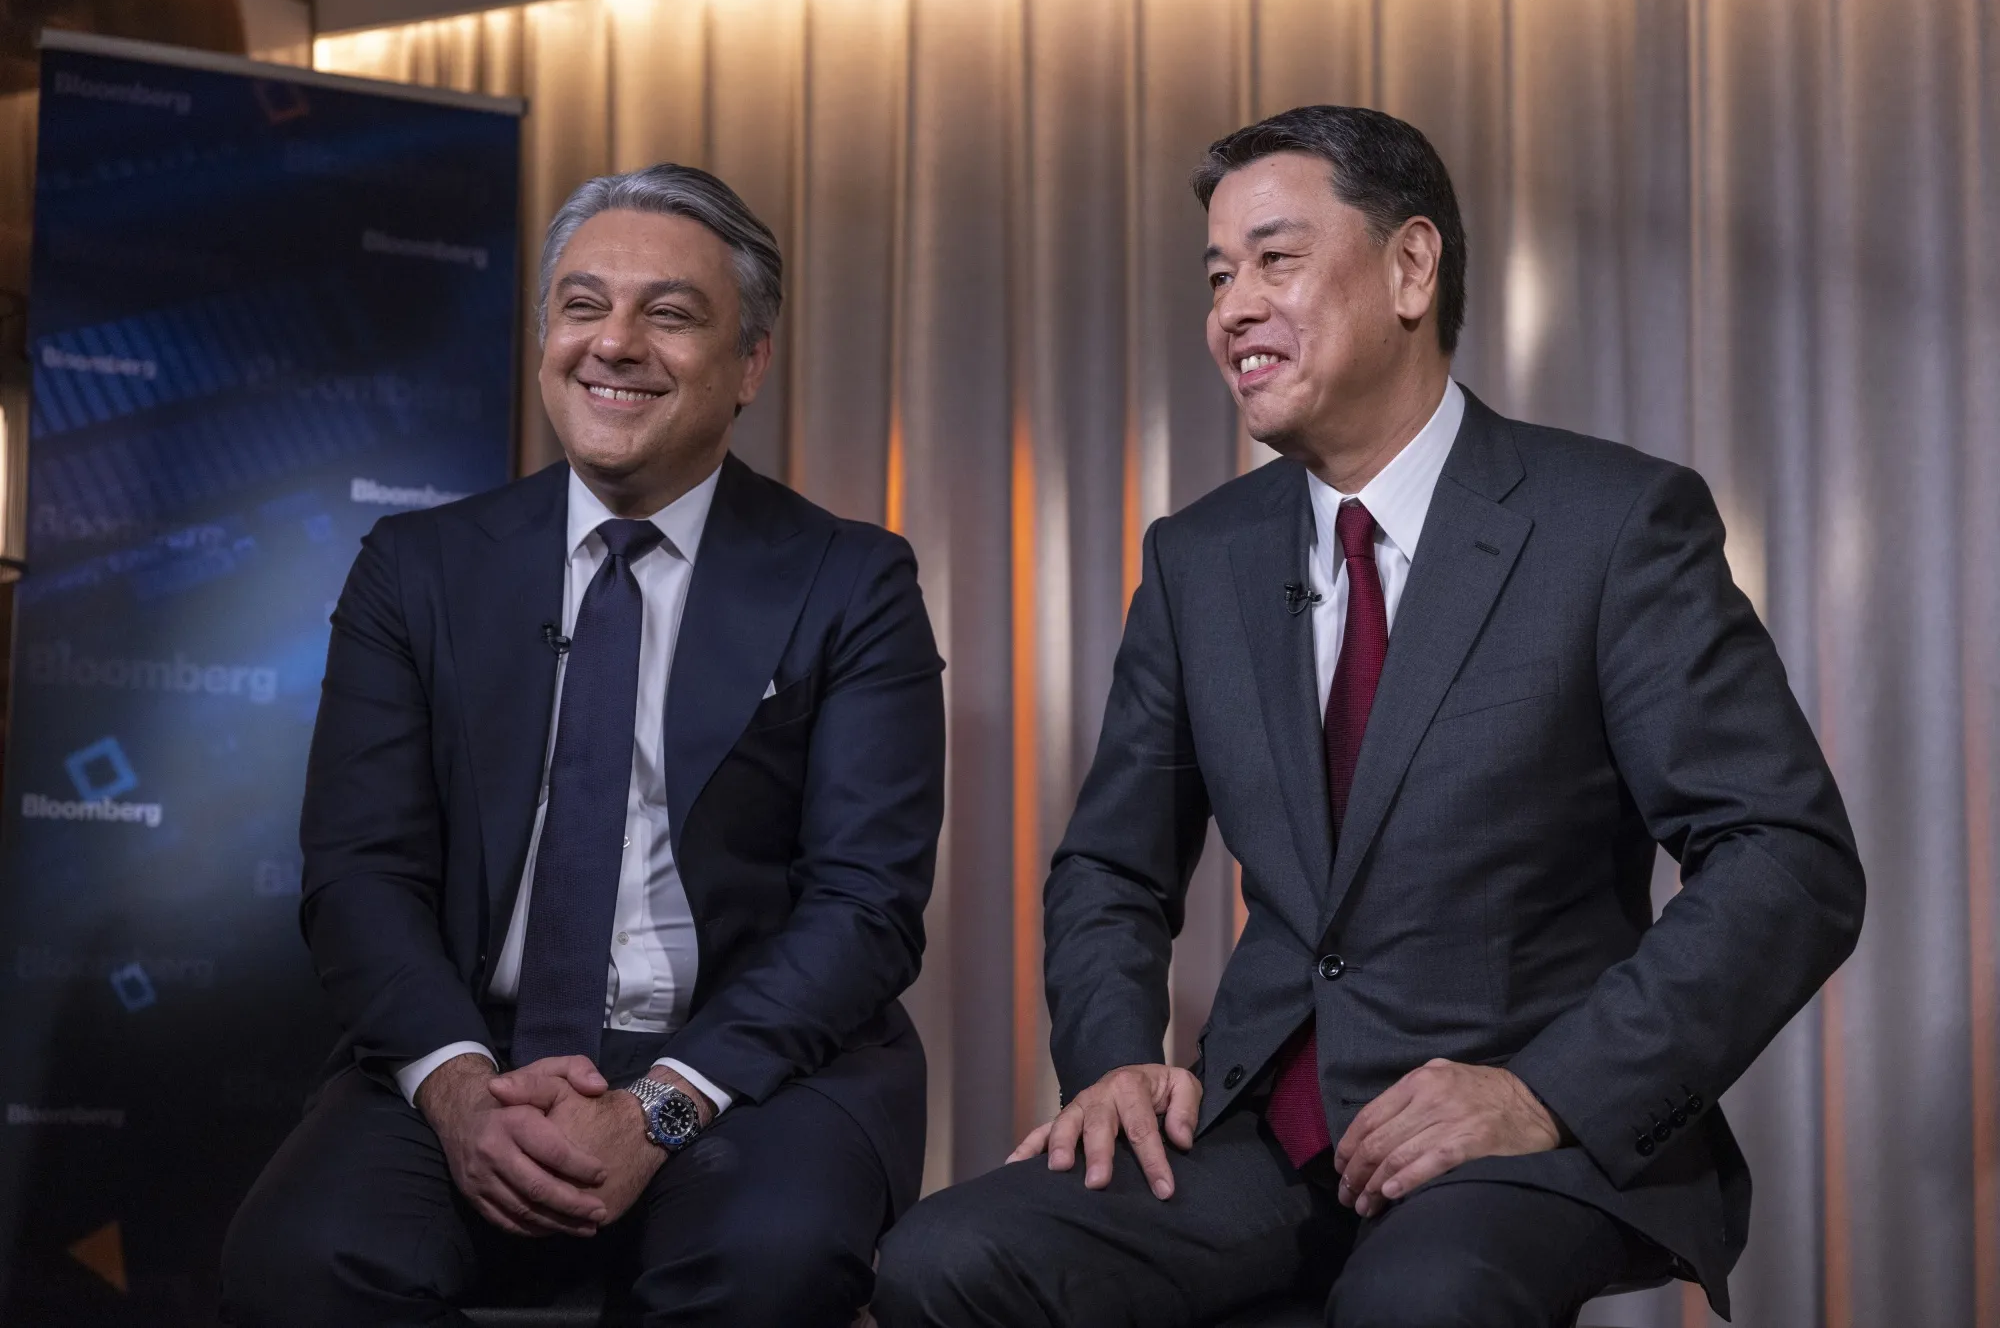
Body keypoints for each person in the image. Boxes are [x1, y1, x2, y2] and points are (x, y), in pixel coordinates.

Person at [874, 105, 1863, 1327]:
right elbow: (1108, 868)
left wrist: (1542, 1089)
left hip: (1516, 1130)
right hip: (1264, 1129)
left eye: (1274, 259)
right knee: (940, 1258)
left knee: (1419, 1300)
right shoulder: (1198, 561)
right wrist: (1116, 1057)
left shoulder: (1611, 524)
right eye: (1217, 274)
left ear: (1409, 266)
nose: (1231, 306)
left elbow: (1785, 859)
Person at [220, 163, 945, 1328]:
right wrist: (460, 1089)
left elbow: (863, 905)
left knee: (765, 1265)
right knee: (301, 1261)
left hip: (748, 1066)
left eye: (668, 313)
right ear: (545, 334)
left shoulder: (851, 579)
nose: (613, 343)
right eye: (580, 305)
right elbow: (361, 875)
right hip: (475, 1043)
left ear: (748, 361)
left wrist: (657, 1106)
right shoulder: (416, 570)